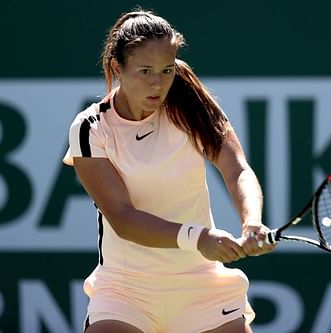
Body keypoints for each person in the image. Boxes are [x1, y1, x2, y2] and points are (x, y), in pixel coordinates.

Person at [63, 8, 275, 333]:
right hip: (125, 288)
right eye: (145, 70)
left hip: (201, 283)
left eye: (166, 70)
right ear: (117, 68)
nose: (157, 83)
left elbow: (236, 169)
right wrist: (200, 237)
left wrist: (252, 221)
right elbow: (122, 218)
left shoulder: (188, 106)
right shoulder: (91, 127)